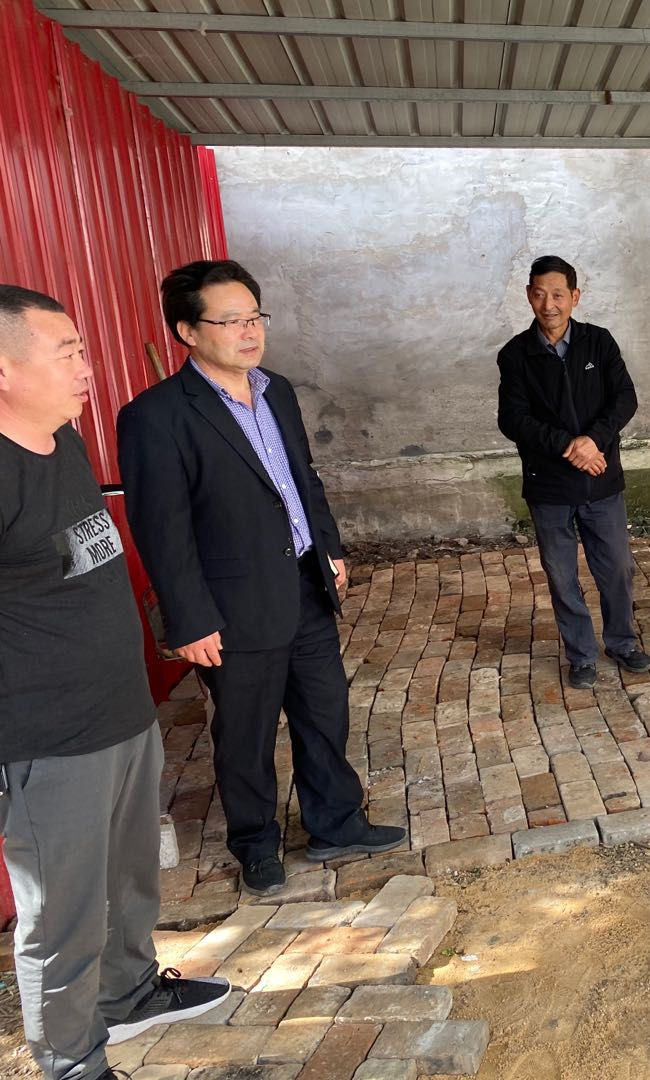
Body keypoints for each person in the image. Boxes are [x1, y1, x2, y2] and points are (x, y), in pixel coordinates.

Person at [117, 260, 405, 899]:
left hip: (304, 584)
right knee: (245, 735)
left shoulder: (277, 391)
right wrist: (189, 618)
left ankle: (336, 823)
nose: (250, 332)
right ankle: (254, 844)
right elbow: (162, 530)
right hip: (231, 605)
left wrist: (328, 548)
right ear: (188, 332)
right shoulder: (156, 416)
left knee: (324, 712)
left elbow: (303, 480)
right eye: (231, 322)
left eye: (255, 318)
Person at [0, 285, 230, 1080]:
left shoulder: (60, 440)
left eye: (82, 349)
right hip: (47, 737)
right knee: (61, 916)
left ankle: (129, 993)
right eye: (66, 351)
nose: (85, 366)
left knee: (129, 878)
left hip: (122, 712)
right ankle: (72, 1062)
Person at [497, 255, 650, 689]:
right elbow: (513, 419)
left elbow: (624, 398)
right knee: (562, 576)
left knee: (617, 568)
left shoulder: (599, 343)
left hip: (600, 479)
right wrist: (569, 446)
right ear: (529, 296)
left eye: (558, 295)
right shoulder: (515, 355)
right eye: (539, 294)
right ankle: (581, 655)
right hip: (548, 486)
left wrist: (593, 441)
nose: (549, 304)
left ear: (575, 297)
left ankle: (621, 642)